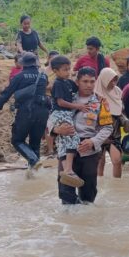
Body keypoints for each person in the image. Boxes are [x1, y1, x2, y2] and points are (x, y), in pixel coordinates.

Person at [51, 67, 114, 205]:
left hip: (89, 151)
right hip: (65, 149)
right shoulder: (65, 99)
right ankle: (68, 222)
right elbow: (50, 120)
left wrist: (93, 141)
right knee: (65, 192)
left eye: (92, 81)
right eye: (85, 81)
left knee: (88, 193)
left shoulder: (101, 102)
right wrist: (56, 129)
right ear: (77, 81)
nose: (89, 85)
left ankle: (86, 221)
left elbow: (107, 127)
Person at [0, 52, 50, 172]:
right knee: (35, 143)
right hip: (43, 112)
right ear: (36, 64)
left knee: (17, 140)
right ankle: (34, 175)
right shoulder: (43, 76)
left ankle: (33, 160)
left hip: (26, 112)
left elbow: (6, 94)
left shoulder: (19, 76)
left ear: (23, 64)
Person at [47, 55, 86, 188]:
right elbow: (60, 102)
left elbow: (76, 89)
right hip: (61, 114)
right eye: (64, 70)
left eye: (69, 69)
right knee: (73, 138)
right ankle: (69, 170)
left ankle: (65, 171)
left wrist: (77, 79)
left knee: (63, 143)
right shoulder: (58, 83)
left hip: (65, 114)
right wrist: (78, 106)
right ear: (56, 71)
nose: (68, 72)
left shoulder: (67, 82)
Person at [94, 67, 126, 178]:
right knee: (99, 163)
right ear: (103, 80)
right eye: (110, 80)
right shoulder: (95, 95)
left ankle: (117, 188)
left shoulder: (117, 91)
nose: (113, 83)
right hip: (98, 133)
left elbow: (121, 110)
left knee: (117, 161)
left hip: (115, 132)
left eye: (115, 80)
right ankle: (99, 187)